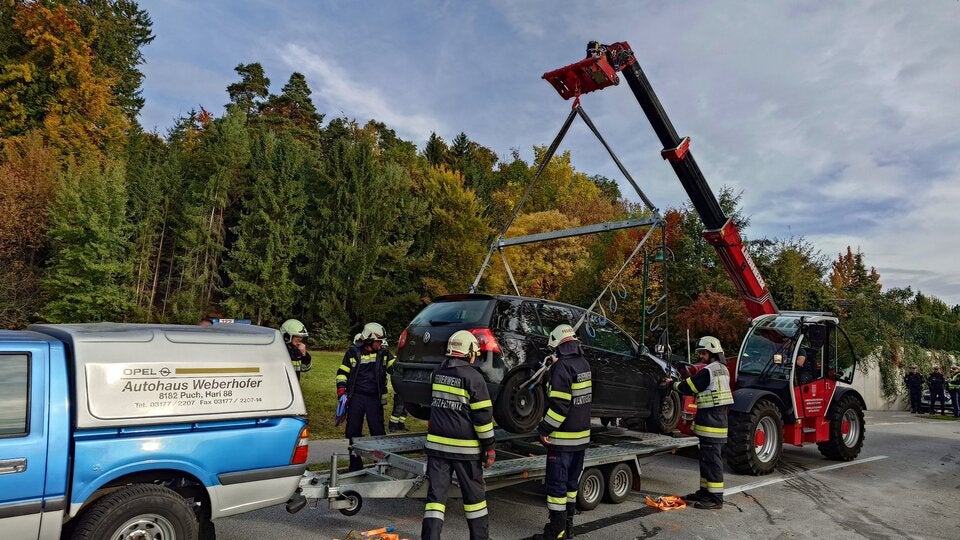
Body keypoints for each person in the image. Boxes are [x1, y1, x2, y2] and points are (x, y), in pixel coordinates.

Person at [421, 330, 495, 540]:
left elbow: (431, 406)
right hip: (466, 451)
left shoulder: (436, 372)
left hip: (437, 449)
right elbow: (483, 418)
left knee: (435, 500)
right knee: (475, 501)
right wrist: (489, 447)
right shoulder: (474, 378)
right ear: (469, 352)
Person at [525, 324, 592, 540]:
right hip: (580, 439)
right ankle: (568, 528)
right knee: (571, 486)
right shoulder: (583, 364)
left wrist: (544, 428)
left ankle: (556, 533)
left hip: (562, 441)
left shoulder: (562, 368)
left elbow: (560, 406)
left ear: (557, 344)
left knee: (556, 487)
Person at [670, 336, 733, 510]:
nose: (701, 357)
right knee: (707, 459)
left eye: (704, 353)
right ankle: (705, 492)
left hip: (712, 420)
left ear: (713, 352)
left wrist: (673, 385)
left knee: (712, 460)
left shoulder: (709, 371)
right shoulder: (723, 369)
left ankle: (715, 498)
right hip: (715, 418)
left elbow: (690, 387)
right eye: (700, 353)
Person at [337, 322, 391, 471]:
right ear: (369, 339)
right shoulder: (352, 352)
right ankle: (355, 464)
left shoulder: (384, 353)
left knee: (378, 432)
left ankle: (380, 463)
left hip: (374, 399)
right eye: (378, 341)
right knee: (353, 432)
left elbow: (395, 368)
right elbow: (342, 373)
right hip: (356, 398)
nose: (380, 344)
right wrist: (341, 390)